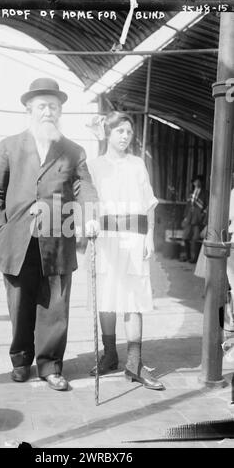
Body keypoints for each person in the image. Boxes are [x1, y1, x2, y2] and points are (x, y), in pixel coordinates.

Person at [0, 78, 99, 391]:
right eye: (41, 106)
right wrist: (0, 230)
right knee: (19, 304)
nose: (47, 111)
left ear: (60, 111)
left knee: (54, 308)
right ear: (29, 109)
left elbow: (84, 187)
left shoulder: (73, 151)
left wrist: (89, 216)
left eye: (53, 106)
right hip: (17, 242)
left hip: (57, 242)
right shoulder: (9, 145)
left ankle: (50, 366)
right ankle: (21, 361)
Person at [86, 111, 165, 390]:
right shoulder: (94, 165)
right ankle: (110, 355)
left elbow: (149, 204)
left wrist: (150, 237)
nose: (125, 137)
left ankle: (134, 364)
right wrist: (89, 224)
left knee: (133, 299)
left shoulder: (137, 164)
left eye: (129, 132)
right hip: (105, 238)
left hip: (134, 238)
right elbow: (86, 201)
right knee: (106, 297)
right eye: (120, 131)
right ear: (108, 133)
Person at [181, 175, 207, 263]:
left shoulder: (205, 193)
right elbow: (187, 205)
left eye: (198, 181)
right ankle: (187, 256)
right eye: (195, 181)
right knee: (185, 237)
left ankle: (195, 259)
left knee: (195, 239)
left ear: (201, 182)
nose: (196, 183)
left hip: (197, 219)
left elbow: (207, 207)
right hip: (189, 218)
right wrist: (185, 217)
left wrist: (202, 215)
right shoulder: (191, 192)